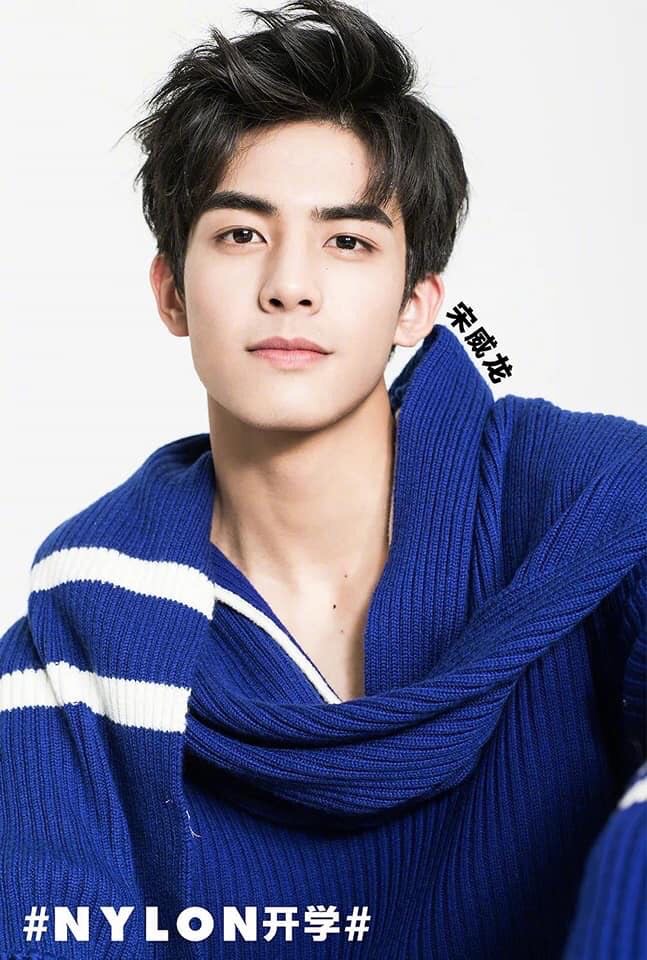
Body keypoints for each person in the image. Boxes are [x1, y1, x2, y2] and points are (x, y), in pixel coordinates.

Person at [0, 1, 644, 957]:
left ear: (415, 304)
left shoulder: (588, 504)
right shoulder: (80, 637)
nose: (289, 285)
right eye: (239, 235)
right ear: (171, 292)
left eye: (347, 241)